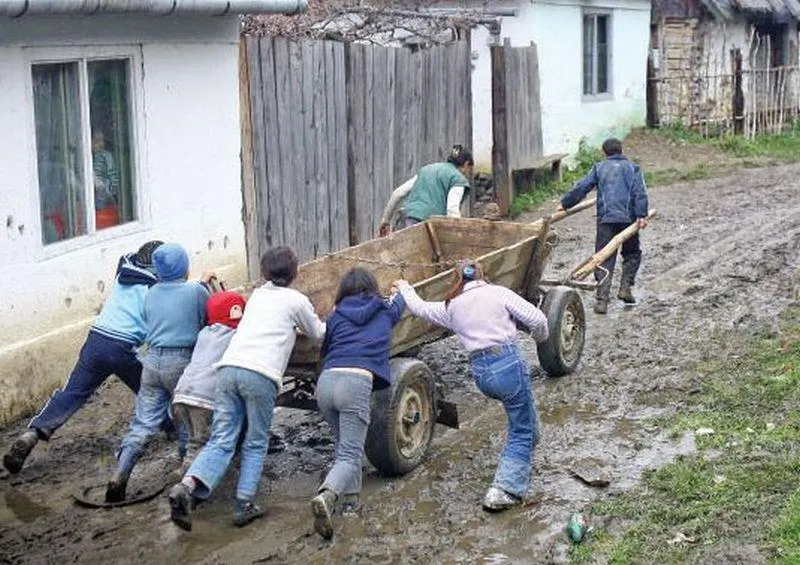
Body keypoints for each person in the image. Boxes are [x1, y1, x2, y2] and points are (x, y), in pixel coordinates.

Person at [167, 246, 326, 531]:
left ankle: (187, 486)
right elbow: (318, 333)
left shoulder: (257, 297)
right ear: (295, 273)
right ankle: (243, 504)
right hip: (260, 375)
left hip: (228, 370)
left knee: (221, 439)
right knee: (255, 441)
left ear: (264, 273)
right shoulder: (296, 300)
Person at [394, 260, 548, 511]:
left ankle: (527, 445)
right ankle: (504, 489)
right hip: (507, 364)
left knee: (525, 416)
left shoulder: (451, 306)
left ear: (457, 280)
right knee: (521, 428)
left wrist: (404, 288)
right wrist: (541, 339)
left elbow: (420, 308)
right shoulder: (497, 292)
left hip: (481, 373)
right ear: (482, 274)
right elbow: (538, 320)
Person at [2, 240, 163, 475]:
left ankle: (33, 433)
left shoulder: (124, 271)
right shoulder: (154, 290)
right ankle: (174, 429)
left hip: (95, 340)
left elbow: (130, 257)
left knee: (71, 392)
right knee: (152, 390)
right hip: (123, 348)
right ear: (157, 269)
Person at [106, 243, 211, 502]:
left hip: (152, 363)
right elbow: (206, 318)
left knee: (142, 424)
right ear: (184, 267)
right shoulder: (197, 291)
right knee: (185, 416)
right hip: (182, 362)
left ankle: (118, 477)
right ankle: (184, 473)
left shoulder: (151, 292)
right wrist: (205, 285)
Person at [310, 267, 406, 540]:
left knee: (345, 448)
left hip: (326, 383)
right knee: (350, 454)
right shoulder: (385, 310)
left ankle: (350, 503)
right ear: (373, 287)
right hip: (355, 383)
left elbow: (325, 349)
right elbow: (402, 301)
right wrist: (400, 288)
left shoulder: (336, 316)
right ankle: (327, 496)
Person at [557, 138, 649, 314]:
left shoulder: (599, 168)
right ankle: (625, 288)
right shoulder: (633, 168)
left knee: (604, 257)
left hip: (605, 220)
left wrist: (565, 203)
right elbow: (640, 192)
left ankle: (602, 301)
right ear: (621, 151)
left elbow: (582, 187)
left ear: (604, 152)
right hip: (629, 219)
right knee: (632, 253)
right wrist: (641, 215)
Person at [171, 290, 247, 469]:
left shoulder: (203, 333)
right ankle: (189, 475)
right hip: (204, 399)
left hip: (181, 393)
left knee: (194, 439)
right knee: (204, 442)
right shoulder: (235, 335)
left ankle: (185, 466)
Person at [378, 144, 474, 237]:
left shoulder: (427, 170)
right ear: (466, 164)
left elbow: (398, 194)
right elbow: (452, 209)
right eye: (469, 169)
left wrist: (385, 221)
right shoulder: (458, 179)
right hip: (431, 227)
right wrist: (457, 235)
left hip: (409, 221)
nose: (467, 173)